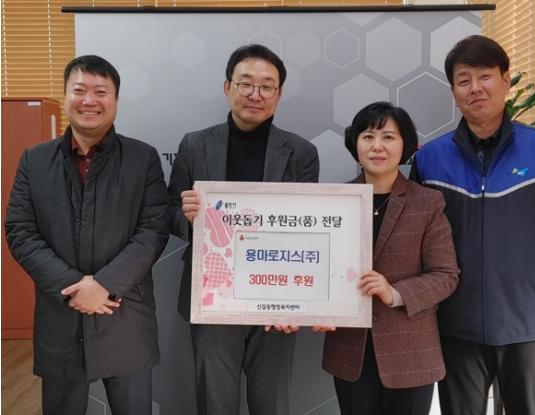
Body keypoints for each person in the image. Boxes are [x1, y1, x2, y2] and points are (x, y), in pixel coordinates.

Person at [410, 35, 535, 414]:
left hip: (530, 326)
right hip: (456, 327)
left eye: (485, 76)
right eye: (463, 80)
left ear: (506, 80)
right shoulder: (430, 160)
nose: (475, 88)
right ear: (453, 91)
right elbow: (415, 245)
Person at [4, 55, 169, 415]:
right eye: (79, 90)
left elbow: (154, 229)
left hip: (125, 315)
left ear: (116, 99)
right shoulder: (35, 160)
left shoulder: (142, 158)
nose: (89, 100)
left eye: (101, 92)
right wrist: (74, 286)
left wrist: (105, 284)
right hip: (61, 315)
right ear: (65, 96)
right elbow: (20, 231)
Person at [168, 44, 319, 415]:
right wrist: (188, 216)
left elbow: (308, 229)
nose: (256, 94)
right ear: (227, 87)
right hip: (212, 291)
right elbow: (168, 210)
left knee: (272, 401)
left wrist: (298, 301)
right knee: (215, 401)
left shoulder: (301, 152)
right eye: (246, 83)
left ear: (279, 94)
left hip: (277, 293)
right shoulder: (194, 144)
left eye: (267, 86)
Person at [315, 102, 459, 415]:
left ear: (405, 145)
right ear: (355, 144)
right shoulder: (332, 202)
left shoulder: (428, 202)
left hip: (411, 352)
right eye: (368, 136)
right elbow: (316, 267)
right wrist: (318, 305)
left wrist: (393, 292)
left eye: (388, 137)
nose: (377, 146)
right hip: (350, 349)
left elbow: (445, 275)